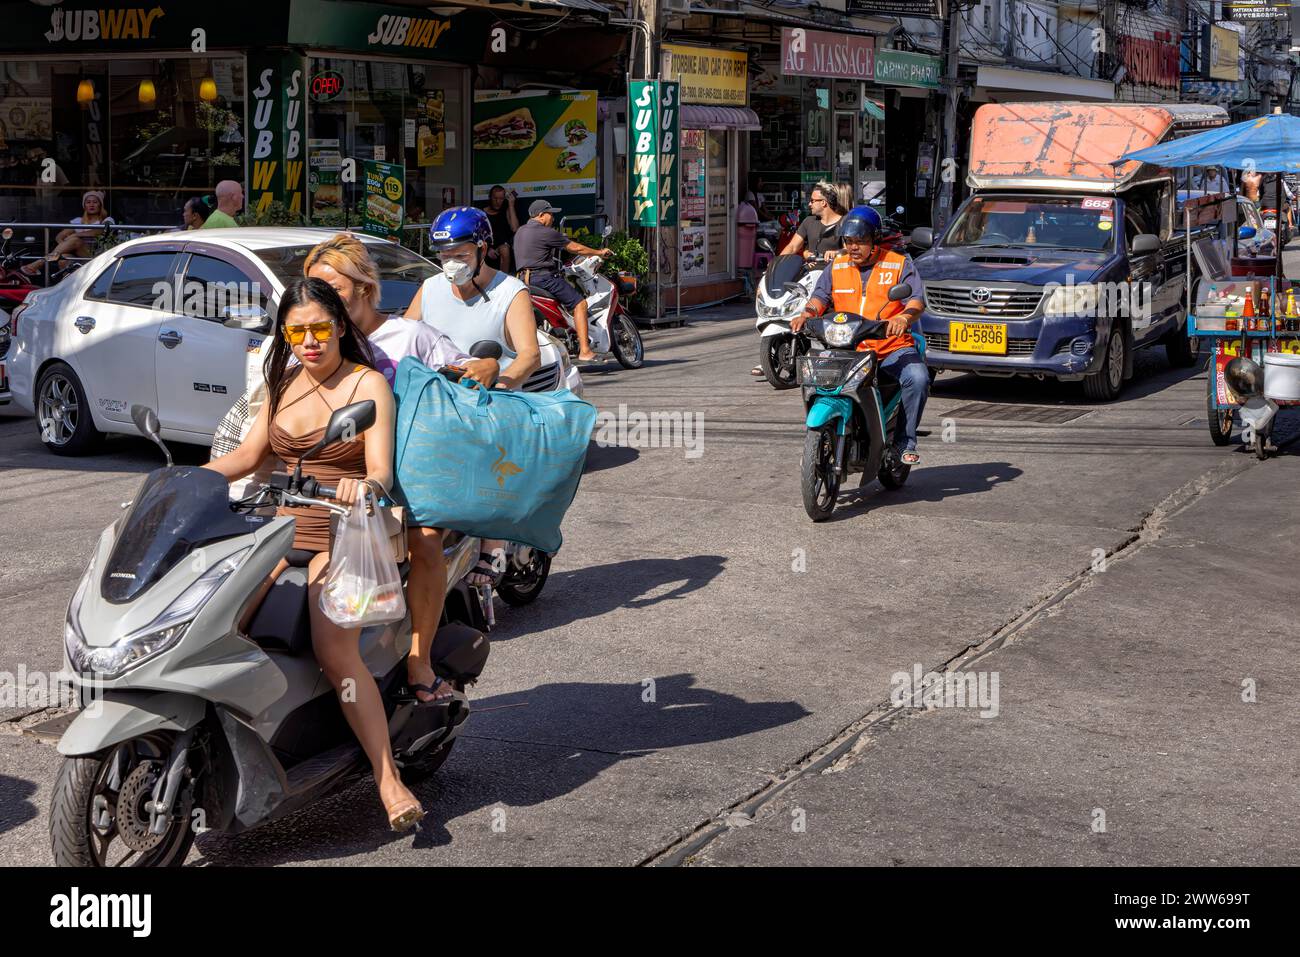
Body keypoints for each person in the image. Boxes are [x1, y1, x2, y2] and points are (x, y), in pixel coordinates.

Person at [204, 277, 426, 831]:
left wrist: (364, 488)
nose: (309, 341)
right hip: (279, 534)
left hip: (343, 533)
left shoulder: (367, 383)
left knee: (335, 650)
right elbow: (250, 456)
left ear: (340, 327)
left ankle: (386, 776)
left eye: (320, 328)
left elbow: (379, 472)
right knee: (212, 622)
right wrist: (184, 479)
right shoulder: (282, 384)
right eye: (296, 330)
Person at [305, 232, 501, 703]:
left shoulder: (409, 335)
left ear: (365, 287)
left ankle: (418, 660)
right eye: (316, 289)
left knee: (425, 541)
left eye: (334, 288)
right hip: (337, 477)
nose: (323, 301)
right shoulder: (317, 341)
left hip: (411, 478)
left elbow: (468, 378)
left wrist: (486, 368)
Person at [403, 206, 541, 588]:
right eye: (445, 256)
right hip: (439, 401)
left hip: (492, 402)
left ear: (483, 249)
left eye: (460, 256)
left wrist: (501, 379)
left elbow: (529, 354)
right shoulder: (430, 288)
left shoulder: (510, 292)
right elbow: (405, 336)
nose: (451, 265)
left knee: (486, 459)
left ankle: (491, 547)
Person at [791, 206, 929, 466]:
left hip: (890, 347)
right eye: (849, 241)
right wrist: (806, 314)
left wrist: (902, 318)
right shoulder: (838, 264)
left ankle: (905, 441)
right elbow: (820, 296)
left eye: (861, 242)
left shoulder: (899, 263)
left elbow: (916, 300)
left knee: (918, 378)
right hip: (847, 348)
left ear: (874, 240)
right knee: (813, 377)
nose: (854, 247)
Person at [511, 199, 611, 362]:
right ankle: (585, 350)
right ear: (541, 215)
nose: (553, 218)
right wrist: (599, 252)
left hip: (523, 280)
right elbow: (576, 248)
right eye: (550, 214)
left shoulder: (520, 231)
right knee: (580, 304)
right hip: (543, 278)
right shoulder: (545, 232)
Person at [23, 189, 113, 276]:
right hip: (77, 256)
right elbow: (59, 237)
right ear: (84, 205)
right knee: (63, 257)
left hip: (96, 256)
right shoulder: (78, 221)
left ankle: (39, 263)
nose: (91, 205)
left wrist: (75, 235)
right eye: (88, 202)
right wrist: (67, 246)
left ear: (100, 205)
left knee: (75, 240)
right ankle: (65, 284)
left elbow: (99, 231)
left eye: (95, 202)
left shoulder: (106, 220)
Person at [780, 181, 849, 263]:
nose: (809, 204)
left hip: (834, 272)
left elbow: (848, 249)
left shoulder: (844, 222)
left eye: (812, 201)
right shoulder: (809, 221)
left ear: (823, 202)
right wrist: (777, 263)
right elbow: (793, 246)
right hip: (811, 272)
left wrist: (836, 253)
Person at [481, 185, 521, 273]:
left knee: (504, 248)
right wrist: (487, 249)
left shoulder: (506, 210)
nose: (498, 201)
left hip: (504, 247)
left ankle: (504, 280)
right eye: (495, 198)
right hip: (487, 248)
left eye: (501, 199)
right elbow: (478, 235)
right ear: (490, 198)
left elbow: (515, 228)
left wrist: (511, 205)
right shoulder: (482, 213)